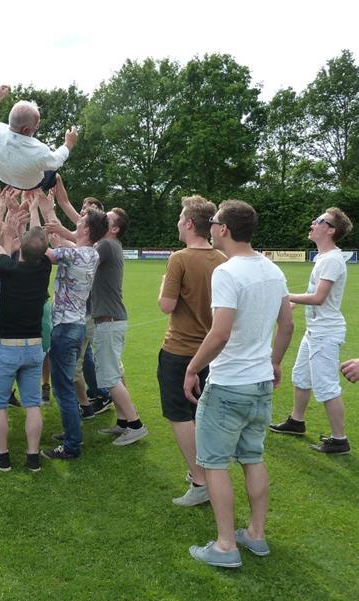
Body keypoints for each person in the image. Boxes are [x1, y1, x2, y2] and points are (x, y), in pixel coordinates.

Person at [183, 200, 294, 569]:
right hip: (260, 383)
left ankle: (226, 545)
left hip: (230, 384)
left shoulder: (228, 273)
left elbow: (220, 333)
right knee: (252, 457)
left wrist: (193, 368)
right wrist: (274, 362)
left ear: (224, 229)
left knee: (214, 464)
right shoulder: (273, 270)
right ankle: (256, 535)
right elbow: (287, 326)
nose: (211, 227)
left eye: (214, 222)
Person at [157, 196, 226, 506]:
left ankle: (200, 481)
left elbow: (166, 305)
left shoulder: (179, 258)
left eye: (179, 218)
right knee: (201, 414)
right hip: (211, 350)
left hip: (180, 350)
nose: (177, 224)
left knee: (179, 415)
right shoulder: (223, 259)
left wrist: (163, 286)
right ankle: (206, 475)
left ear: (188, 224)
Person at [269, 208, 353, 454]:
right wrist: (295, 302)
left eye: (320, 221)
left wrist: (286, 297)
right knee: (301, 377)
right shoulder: (323, 258)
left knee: (326, 386)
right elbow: (314, 294)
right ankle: (296, 421)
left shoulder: (332, 260)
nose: (313, 223)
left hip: (326, 333)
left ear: (331, 230)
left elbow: (318, 297)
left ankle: (340, 440)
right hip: (315, 330)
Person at [0, 188, 53, 472]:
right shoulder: (45, 266)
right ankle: (33, 457)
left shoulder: (8, 268)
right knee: (33, 404)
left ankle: (2, 457)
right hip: (34, 348)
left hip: (6, 349)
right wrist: (33, 210)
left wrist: (2, 212)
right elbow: (39, 239)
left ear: (21, 248)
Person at [37, 191, 108, 460]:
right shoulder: (89, 254)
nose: (77, 220)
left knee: (63, 388)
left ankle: (72, 445)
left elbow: (45, 248)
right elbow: (59, 240)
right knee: (65, 385)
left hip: (65, 329)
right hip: (74, 327)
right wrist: (48, 209)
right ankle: (71, 434)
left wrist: (32, 221)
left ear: (87, 229)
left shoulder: (77, 255)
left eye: (81, 220)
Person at [90, 207, 149, 447]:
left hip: (109, 322)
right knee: (116, 371)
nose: (102, 219)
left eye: (108, 219)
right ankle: (124, 422)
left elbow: (79, 253)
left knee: (110, 377)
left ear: (114, 229)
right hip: (112, 320)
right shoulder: (108, 245)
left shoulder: (106, 245)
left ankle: (135, 425)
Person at [0, 85, 78, 191]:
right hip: (30, 185)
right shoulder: (39, 151)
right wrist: (69, 143)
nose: (37, 127)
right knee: (52, 169)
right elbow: (57, 161)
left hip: (5, 177)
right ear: (26, 130)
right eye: (36, 126)